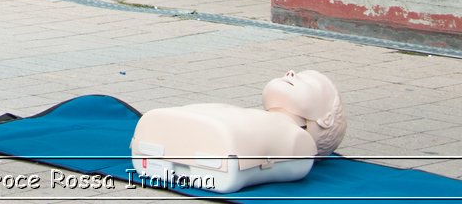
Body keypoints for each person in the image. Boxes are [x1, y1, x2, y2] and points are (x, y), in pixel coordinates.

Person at [131, 70, 346, 192]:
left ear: (325, 119)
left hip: (205, 149)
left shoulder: (299, 142)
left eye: (306, 80)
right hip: (204, 145)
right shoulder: (247, 115)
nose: (291, 72)